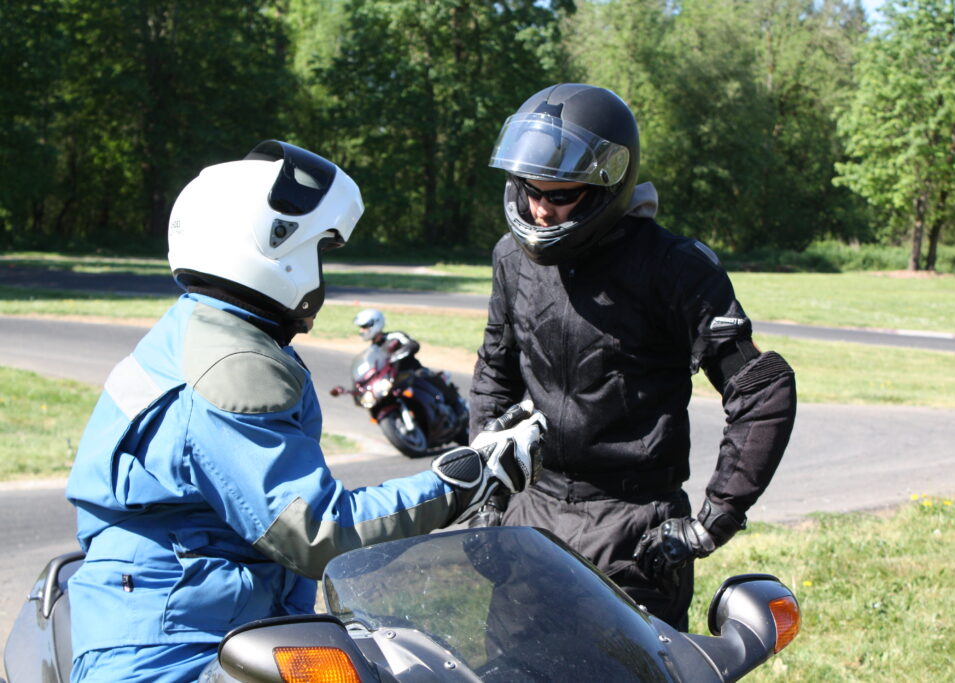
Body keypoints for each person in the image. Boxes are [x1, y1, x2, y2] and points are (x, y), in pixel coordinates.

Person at [64, 140, 546, 682]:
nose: (322, 271)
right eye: (320, 250)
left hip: (205, 623)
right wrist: (467, 479)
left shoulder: (202, 329)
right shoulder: (228, 365)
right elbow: (319, 531)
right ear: (275, 249)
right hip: (175, 655)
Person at [468, 84, 797, 630]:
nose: (541, 210)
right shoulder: (512, 259)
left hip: (635, 531)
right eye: (530, 191)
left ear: (606, 184)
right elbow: (493, 374)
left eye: (560, 194)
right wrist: (486, 489)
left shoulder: (675, 267)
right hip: (531, 516)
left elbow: (761, 389)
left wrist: (713, 520)